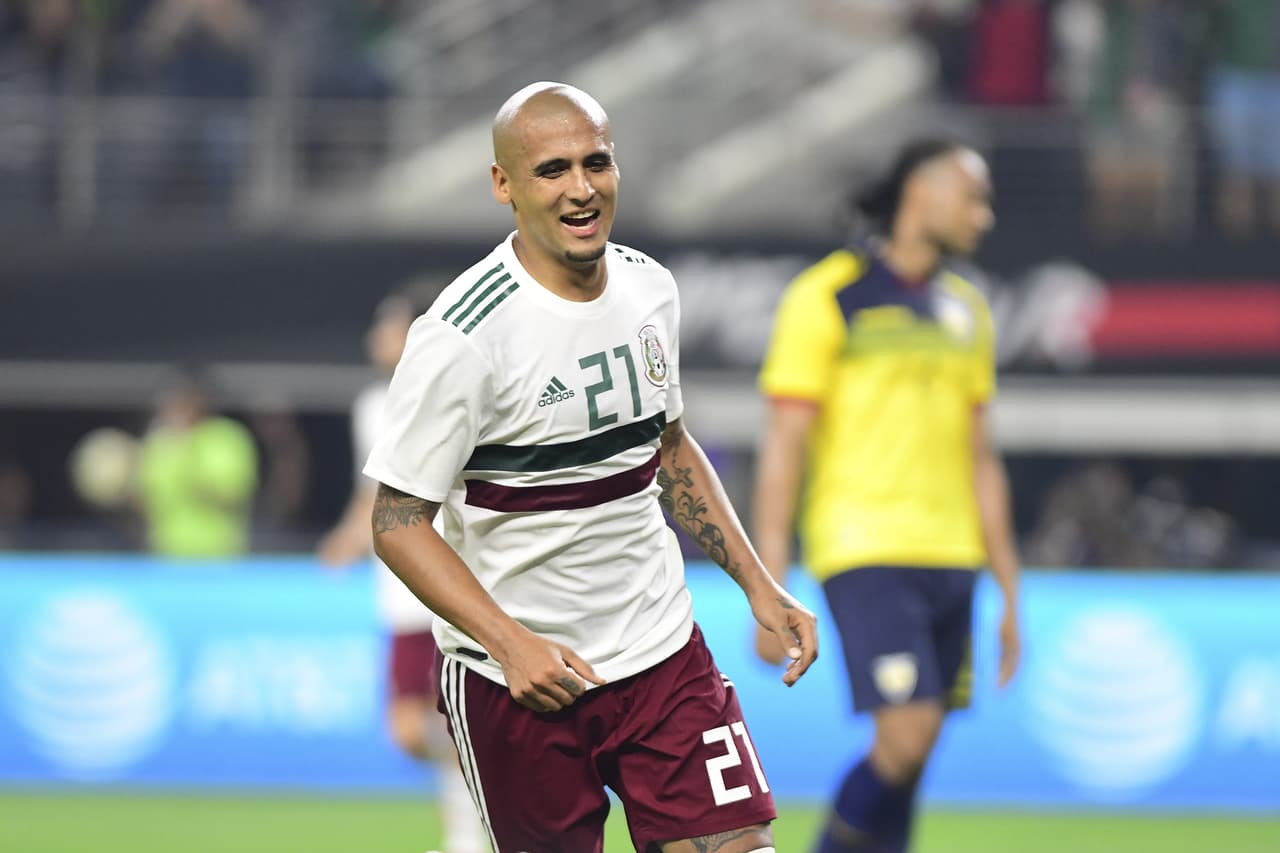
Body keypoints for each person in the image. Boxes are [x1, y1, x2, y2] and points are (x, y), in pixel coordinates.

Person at [362, 81, 818, 853]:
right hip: (519, 682)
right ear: (504, 184)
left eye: (596, 162)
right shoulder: (462, 334)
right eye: (552, 170)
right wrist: (511, 644)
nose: (581, 188)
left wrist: (758, 582)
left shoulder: (649, 288)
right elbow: (397, 522)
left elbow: (670, 449)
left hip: (661, 653)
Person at [751, 139, 1022, 853]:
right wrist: (769, 578)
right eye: (974, 197)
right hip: (864, 545)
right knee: (907, 735)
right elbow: (785, 442)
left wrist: (1010, 585)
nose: (985, 216)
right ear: (922, 195)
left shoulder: (966, 310)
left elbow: (981, 456)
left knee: (917, 752)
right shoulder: (827, 295)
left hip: (952, 552)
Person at [317, 293, 485, 853]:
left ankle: (468, 834)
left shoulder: (452, 391)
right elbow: (375, 490)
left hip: (445, 584)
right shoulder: (370, 406)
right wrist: (347, 536)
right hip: (396, 591)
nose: (376, 337)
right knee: (410, 731)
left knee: (454, 722)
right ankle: (480, 796)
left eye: (387, 325)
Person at [137, 371, 258, 557]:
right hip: (166, 558)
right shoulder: (158, 442)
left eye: (181, 401)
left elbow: (230, 497)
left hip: (218, 558)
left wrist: (186, 451)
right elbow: (145, 504)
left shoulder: (226, 437)